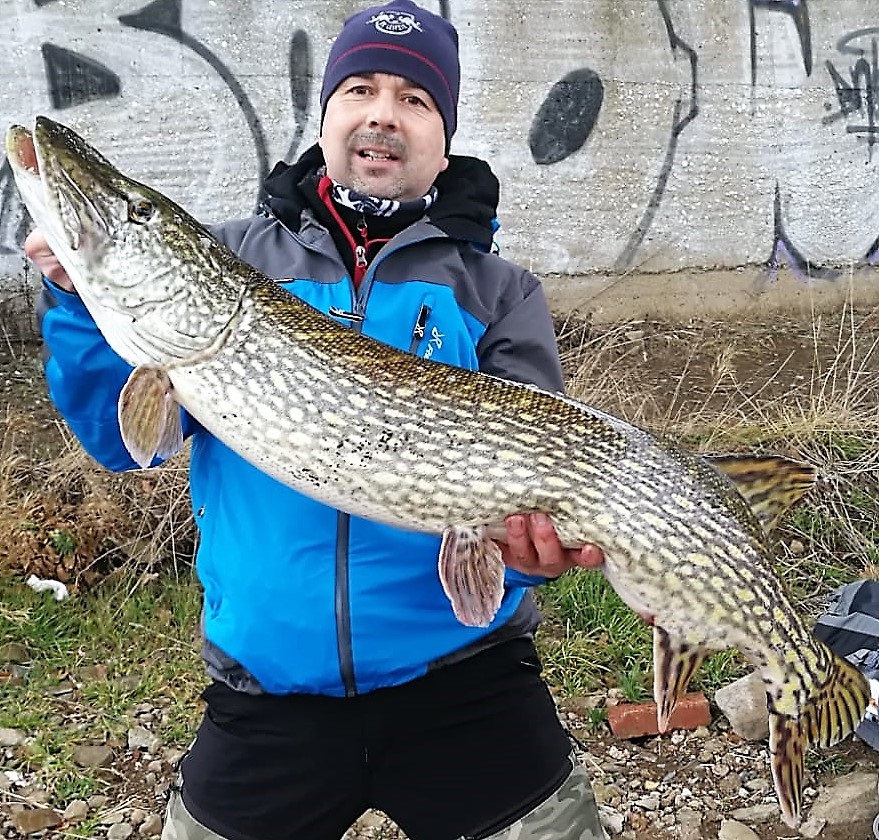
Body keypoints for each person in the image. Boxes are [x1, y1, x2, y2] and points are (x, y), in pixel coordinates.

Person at [27, 2, 610, 838]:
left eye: (414, 98)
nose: (382, 111)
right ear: (327, 115)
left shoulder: (496, 291)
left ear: (442, 136)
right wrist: (78, 300)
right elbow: (121, 444)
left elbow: (534, 499)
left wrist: (525, 559)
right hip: (267, 693)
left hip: (463, 682)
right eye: (361, 88)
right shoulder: (230, 261)